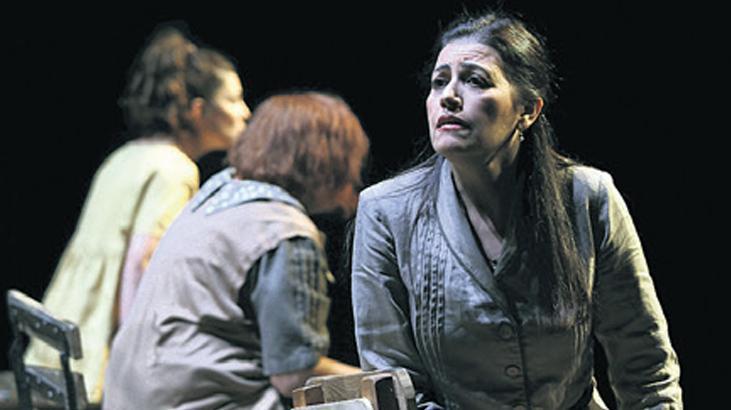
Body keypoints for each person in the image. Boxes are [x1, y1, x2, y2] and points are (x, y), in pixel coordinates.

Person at [351, 10, 682, 409]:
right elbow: (395, 384)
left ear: (528, 109)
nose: (449, 96)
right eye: (439, 82)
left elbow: (646, 365)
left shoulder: (586, 197)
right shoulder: (386, 212)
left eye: (475, 80)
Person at [24, 24, 251, 403]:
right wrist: (142, 365)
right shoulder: (174, 170)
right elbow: (140, 264)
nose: (245, 112)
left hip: (59, 351)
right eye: (234, 99)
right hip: (98, 363)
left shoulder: (126, 157)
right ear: (199, 111)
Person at [102, 91, 368, 409]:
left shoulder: (217, 196)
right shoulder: (284, 231)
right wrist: (378, 380)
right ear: (325, 163)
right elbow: (294, 374)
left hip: (127, 396)